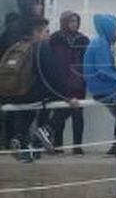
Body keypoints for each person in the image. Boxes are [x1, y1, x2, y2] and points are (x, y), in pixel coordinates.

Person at [1, 17, 69, 162]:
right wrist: (68, 96)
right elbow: (53, 75)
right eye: (46, 31)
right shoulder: (41, 46)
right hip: (31, 94)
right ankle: (47, 130)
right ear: (37, 32)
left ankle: (20, 141)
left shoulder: (16, 46)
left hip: (13, 95)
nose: (48, 35)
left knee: (27, 113)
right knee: (67, 105)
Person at [49, 12, 89, 155]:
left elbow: (87, 62)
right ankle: (58, 145)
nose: (74, 24)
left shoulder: (83, 40)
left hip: (78, 83)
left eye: (76, 21)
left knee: (78, 115)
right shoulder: (55, 39)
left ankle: (77, 146)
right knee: (59, 114)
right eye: (71, 21)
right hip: (60, 83)